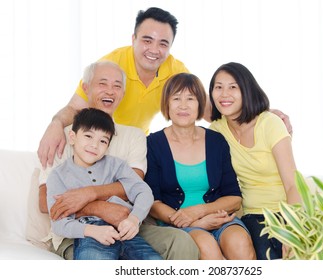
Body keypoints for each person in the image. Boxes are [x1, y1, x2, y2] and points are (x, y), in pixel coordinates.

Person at [37, 6, 292, 170]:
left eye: (163, 43)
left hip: (134, 145)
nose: (154, 50)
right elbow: (75, 107)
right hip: (98, 140)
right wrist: (55, 124)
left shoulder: (176, 69)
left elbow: (210, 109)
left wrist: (262, 114)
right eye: (147, 40)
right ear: (133, 39)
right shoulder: (112, 65)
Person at [39, 60, 200, 260]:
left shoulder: (133, 138)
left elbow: (136, 186)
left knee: (181, 242)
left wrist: (89, 194)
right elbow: (46, 203)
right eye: (102, 83)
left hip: (127, 224)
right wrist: (99, 208)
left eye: (117, 86)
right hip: (79, 232)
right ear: (86, 88)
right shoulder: (63, 136)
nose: (110, 91)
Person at [144, 73, 256, 260]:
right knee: (207, 247)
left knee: (239, 244)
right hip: (178, 224)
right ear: (167, 104)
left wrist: (201, 212)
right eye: (176, 98)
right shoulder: (153, 144)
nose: (183, 105)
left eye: (191, 98)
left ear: (200, 104)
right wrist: (195, 221)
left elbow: (234, 198)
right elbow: (153, 204)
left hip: (218, 218)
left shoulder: (216, 141)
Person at [208, 62, 301, 260]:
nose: (224, 94)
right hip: (254, 214)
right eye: (218, 87)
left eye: (233, 87)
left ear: (247, 90)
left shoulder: (270, 123)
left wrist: (292, 229)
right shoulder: (216, 130)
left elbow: (293, 184)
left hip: (289, 209)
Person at [46, 108, 162, 260]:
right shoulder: (58, 175)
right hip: (90, 233)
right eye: (88, 136)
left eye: (103, 141)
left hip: (124, 230)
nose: (95, 145)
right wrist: (92, 231)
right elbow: (58, 223)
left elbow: (143, 191)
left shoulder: (116, 165)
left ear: (108, 146)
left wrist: (134, 219)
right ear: (72, 137)